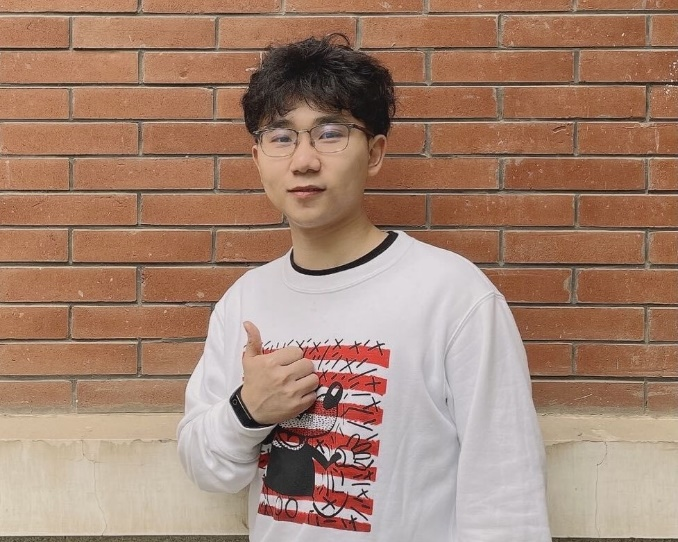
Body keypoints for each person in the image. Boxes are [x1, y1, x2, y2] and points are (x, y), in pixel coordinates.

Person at [177, 34, 551, 541]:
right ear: (258, 157)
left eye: (330, 133)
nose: (304, 160)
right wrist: (247, 410)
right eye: (281, 137)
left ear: (374, 152)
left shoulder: (453, 295)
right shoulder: (245, 302)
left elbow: (506, 497)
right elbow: (207, 470)